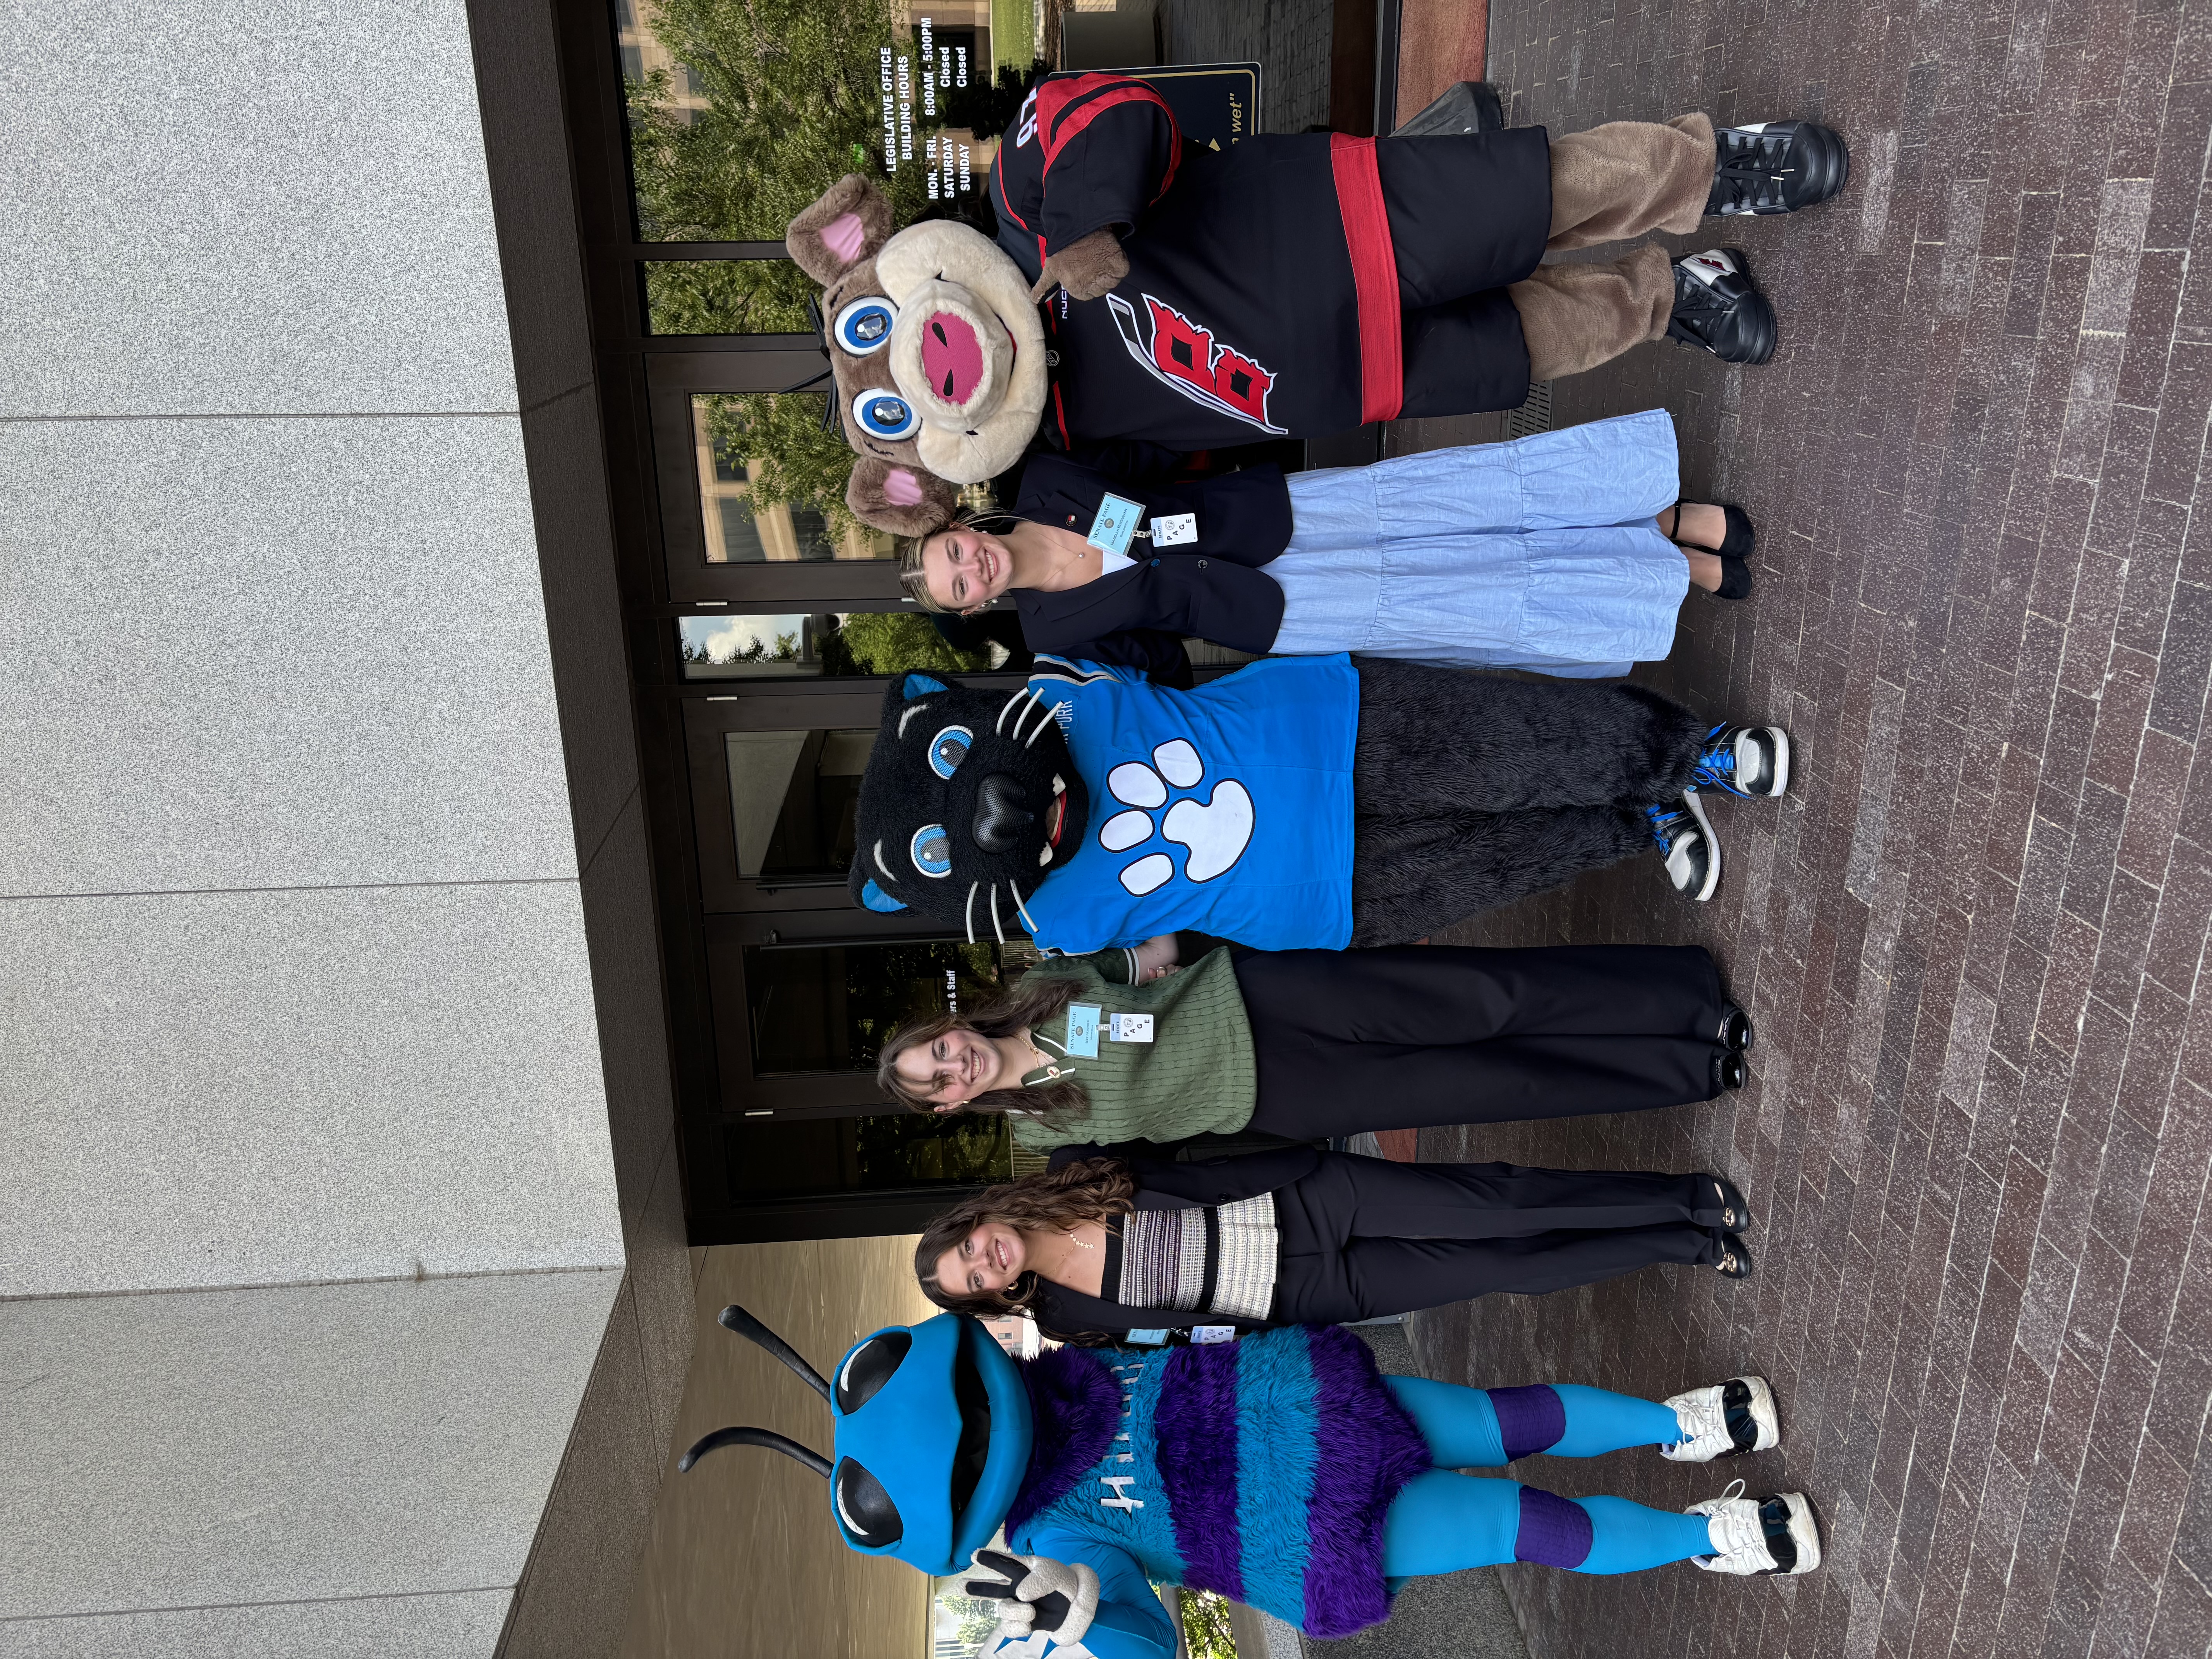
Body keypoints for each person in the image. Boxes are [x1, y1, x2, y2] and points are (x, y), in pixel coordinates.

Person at [687, 1308, 1822, 1659]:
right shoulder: (1044, 1533)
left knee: (1509, 1417)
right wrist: (1079, 1610)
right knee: (1530, 1523)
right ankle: (1710, 1534)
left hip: (1311, 1401)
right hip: (1309, 1529)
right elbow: (1152, 1643)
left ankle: (1686, 1418)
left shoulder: (1052, 1361)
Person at [899, 410, 1755, 676]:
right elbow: (1155, 662)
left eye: (954, 556)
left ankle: (1658, 511)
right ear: (977, 609)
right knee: (1463, 591)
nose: (970, 570)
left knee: (1456, 500)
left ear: (960, 530)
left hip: (1271, 513)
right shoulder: (1050, 635)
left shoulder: (1047, 479)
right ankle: (1656, 568)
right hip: (1273, 609)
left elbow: (1153, 452)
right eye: (960, 590)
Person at [876, 935, 1754, 1152]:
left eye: (939, 1050)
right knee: (1491, 1085)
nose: (955, 1066)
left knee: (1488, 998)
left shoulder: (1043, 980)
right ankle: (1690, 1067)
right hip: (1278, 1097)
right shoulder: (1038, 1131)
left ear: (953, 1030)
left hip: (1268, 1000)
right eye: (939, 1083)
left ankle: (1684, 998)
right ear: (952, 1106)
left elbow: (1159, 952)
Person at [913, 1149, 1757, 1343]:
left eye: (971, 1247)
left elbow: (1193, 1146)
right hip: (1309, 1295)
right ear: (984, 1297)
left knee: (1497, 1206)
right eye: (972, 1280)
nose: (985, 1262)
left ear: (976, 1220)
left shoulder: (1066, 1173)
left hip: (1307, 1201)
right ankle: (1680, 1244)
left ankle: (1688, 1197)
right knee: (1507, 1268)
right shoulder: (1064, 1320)